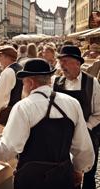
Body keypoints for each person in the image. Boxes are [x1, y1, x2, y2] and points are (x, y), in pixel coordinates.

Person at [0, 58, 95, 189]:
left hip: (32, 180)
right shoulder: (72, 103)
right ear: (49, 80)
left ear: (31, 83)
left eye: (24, 83)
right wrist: (79, 169)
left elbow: (8, 150)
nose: (24, 86)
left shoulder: (24, 106)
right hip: (63, 176)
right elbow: (83, 147)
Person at [53, 45, 100, 189]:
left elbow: (99, 112)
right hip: (63, 138)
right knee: (67, 174)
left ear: (78, 63)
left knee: (89, 175)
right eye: (61, 61)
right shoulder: (57, 82)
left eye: (66, 61)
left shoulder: (91, 83)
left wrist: (86, 127)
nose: (62, 65)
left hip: (88, 135)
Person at [0, 46, 23, 125]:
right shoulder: (20, 68)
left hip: (9, 112)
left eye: (0, 56)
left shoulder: (8, 72)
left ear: (7, 57)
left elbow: (0, 94)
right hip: (20, 109)